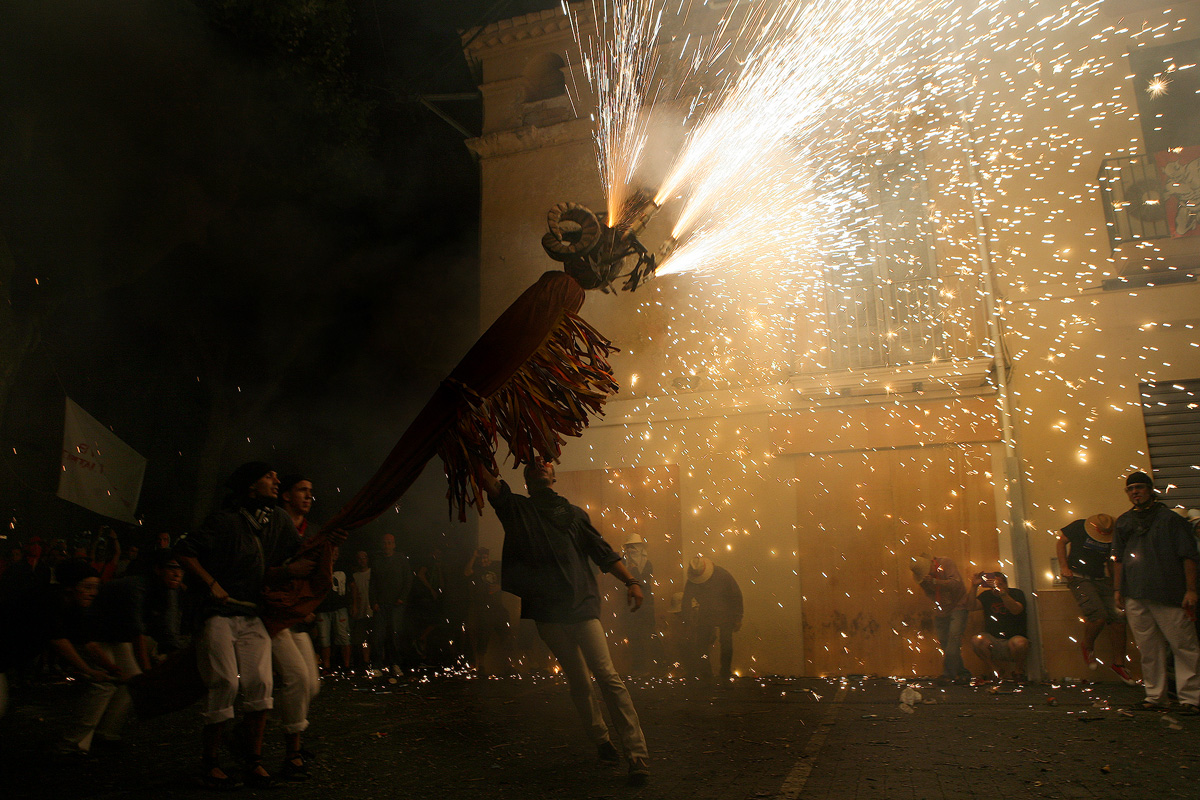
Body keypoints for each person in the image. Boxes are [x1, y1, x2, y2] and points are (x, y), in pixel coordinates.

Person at [480, 459, 650, 786]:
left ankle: (636, 752)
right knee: (579, 681)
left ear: (554, 475)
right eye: (532, 465)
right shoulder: (518, 509)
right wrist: (471, 450)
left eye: (545, 463)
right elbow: (492, 485)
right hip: (547, 614)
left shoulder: (574, 514)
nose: (539, 465)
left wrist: (631, 581)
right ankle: (602, 741)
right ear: (527, 478)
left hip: (582, 607)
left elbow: (603, 552)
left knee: (606, 676)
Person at [175, 461, 311, 789]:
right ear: (251, 485)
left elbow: (301, 552)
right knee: (225, 682)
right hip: (218, 613)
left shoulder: (277, 520)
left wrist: (332, 540)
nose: (277, 479)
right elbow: (183, 551)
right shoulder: (224, 521)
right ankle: (209, 762)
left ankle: (253, 760)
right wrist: (210, 583)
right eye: (269, 476)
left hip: (253, 615)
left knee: (261, 686)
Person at [1112, 471, 1200, 713]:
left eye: (1140, 487)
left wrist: (1191, 590)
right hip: (1135, 594)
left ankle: (1191, 699)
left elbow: (1188, 556)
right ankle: (1154, 696)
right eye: (1130, 489)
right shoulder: (1124, 522)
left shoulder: (1171, 520)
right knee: (1148, 649)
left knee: (1184, 646)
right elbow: (1118, 559)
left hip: (1168, 592)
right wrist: (1119, 589)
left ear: (1151, 490)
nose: (1135, 492)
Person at [48, 558, 141, 756]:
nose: (93, 593)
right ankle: (69, 743)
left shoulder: (76, 608)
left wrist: (111, 668)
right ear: (70, 587)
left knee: (104, 686)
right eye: (87, 587)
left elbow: (88, 643)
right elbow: (59, 641)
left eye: (96, 587)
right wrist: (89, 670)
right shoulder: (50, 603)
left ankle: (70, 744)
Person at [271, 473, 321, 780]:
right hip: (275, 614)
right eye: (302, 490)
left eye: (310, 491)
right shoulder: (274, 527)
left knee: (312, 686)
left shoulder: (312, 532)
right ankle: (292, 754)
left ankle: (247, 729)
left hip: (299, 616)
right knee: (297, 679)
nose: (308, 496)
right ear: (286, 495)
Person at [1056, 513, 1134, 684]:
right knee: (1098, 616)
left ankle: (1119, 663)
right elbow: (1061, 541)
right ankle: (1088, 645)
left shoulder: (1114, 535)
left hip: (1103, 579)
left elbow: (1114, 562)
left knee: (1119, 619)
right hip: (1079, 577)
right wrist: (1064, 566)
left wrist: (1116, 588)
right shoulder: (1078, 527)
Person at [910, 553, 971, 684]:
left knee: (954, 638)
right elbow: (930, 594)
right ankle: (962, 673)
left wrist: (935, 581)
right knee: (944, 642)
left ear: (932, 564)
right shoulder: (924, 579)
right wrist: (930, 585)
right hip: (942, 608)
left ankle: (948, 675)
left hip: (959, 605)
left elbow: (956, 583)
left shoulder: (946, 563)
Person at [682, 556, 743, 681]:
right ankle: (706, 674)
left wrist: (737, 617)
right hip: (707, 612)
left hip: (726, 611)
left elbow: (736, 595)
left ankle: (725, 672)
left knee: (726, 642)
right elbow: (686, 602)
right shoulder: (693, 580)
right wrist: (687, 622)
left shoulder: (722, 575)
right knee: (702, 644)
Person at [967, 570, 1029, 684]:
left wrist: (1002, 593)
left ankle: (1018, 671)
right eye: (994, 584)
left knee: (1021, 643)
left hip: (1013, 638)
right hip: (993, 638)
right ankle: (995, 670)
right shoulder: (986, 595)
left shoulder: (1016, 594)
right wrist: (974, 586)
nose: (996, 587)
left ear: (1005, 584)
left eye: (1000, 584)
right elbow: (971, 606)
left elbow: (1016, 610)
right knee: (976, 640)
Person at [464, 547, 511, 676]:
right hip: (484, 608)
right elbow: (467, 572)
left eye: (485, 555)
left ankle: (508, 665)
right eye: (481, 556)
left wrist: (499, 587)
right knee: (483, 637)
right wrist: (473, 557)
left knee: (505, 636)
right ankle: (482, 666)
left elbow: (509, 577)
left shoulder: (496, 565)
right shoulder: (478, 568)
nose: (484, 558)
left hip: (497, 607)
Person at [369, 532, 412, 672]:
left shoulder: (401, 559)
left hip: (396, 604)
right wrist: (373, 601)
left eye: (390, 543)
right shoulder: (377, 560)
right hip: (381, 604)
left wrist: (402, 597)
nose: (387, 545)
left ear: (394, 544)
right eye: (385, 543)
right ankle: (377, 665)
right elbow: (373, 583)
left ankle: (395, 664)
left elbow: (408, 580)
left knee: (395, 634)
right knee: (378, 636)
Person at [621, 535, 658, 676]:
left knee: (648, 634)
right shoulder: (625, 563)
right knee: (633, 636)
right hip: (630, 604)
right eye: (629, 547)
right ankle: (639, 668)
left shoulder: (647, 564)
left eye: (634, 547)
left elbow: (643, 582)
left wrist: (634, 570)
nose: (631, 550)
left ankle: (659, 665)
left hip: (646, 604)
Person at [314, 545, 352, 673]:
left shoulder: (343, 567)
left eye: (337, 551)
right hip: (323, 608)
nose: (335, 554)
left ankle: (346, 665)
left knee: (343, 636)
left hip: (340, 607)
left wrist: (353, 604)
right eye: (333, 551)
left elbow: (352, 586)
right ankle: (326, 666)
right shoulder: (320, 567)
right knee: (324, 638)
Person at [349, 549, 373, 669]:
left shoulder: (373, 573)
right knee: (363, 638)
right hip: (361, 611)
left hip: (373, 610)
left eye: (364, 558)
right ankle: (365, 661)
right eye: (360, 558)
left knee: (376, 636)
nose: (362, 560)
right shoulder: (354, 576)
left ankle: (380, 660)